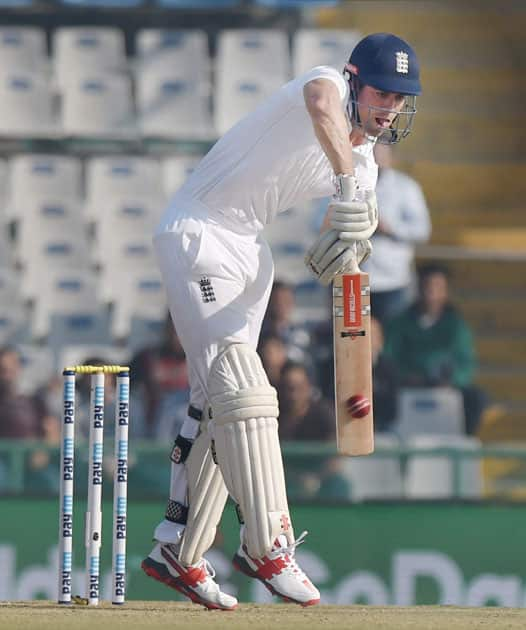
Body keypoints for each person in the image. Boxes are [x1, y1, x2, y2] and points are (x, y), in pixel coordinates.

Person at [141, 32, 422, 609]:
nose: (388, 108)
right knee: (244, 387)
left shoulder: (367, 163)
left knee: (219, 401)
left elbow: (346, 241)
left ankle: (179, 549)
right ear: (353, 80)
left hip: (251, 251)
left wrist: (349, 245)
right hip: (200, 230)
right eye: (380, 93)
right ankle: (267, 545)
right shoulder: (321, 84)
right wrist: (345, 182)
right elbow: (323, 110)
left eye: (399, 99)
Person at [384, 263, 486, 434]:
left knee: (477, 398)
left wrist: (452, 380)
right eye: (426, 286)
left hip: (446, 385)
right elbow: (389, 358)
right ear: (418, 288)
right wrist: (405, 376)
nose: (431, 292)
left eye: (437, 287)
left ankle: (462, 441)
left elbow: (466, 363)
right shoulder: (399, 323)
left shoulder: (456, 326)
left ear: (446, 291)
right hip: (406, 384)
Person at [362, 143, 431, 325]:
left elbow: (422, 230)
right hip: (354, 279)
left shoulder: (406, 188)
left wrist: (390, 228)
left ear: (392, 158)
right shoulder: (348, 183)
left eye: (381, 156)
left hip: (393, 281)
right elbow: (319, 222)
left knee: (393, 341)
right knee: (352, 342)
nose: (377, 161)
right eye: (373, 156)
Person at [277, 361, 335, 442]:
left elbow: (334, 450)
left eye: (299, 387)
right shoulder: (274, 416)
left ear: (308, 386)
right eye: (288, 388)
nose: (294, 395)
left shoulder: (324, 415)